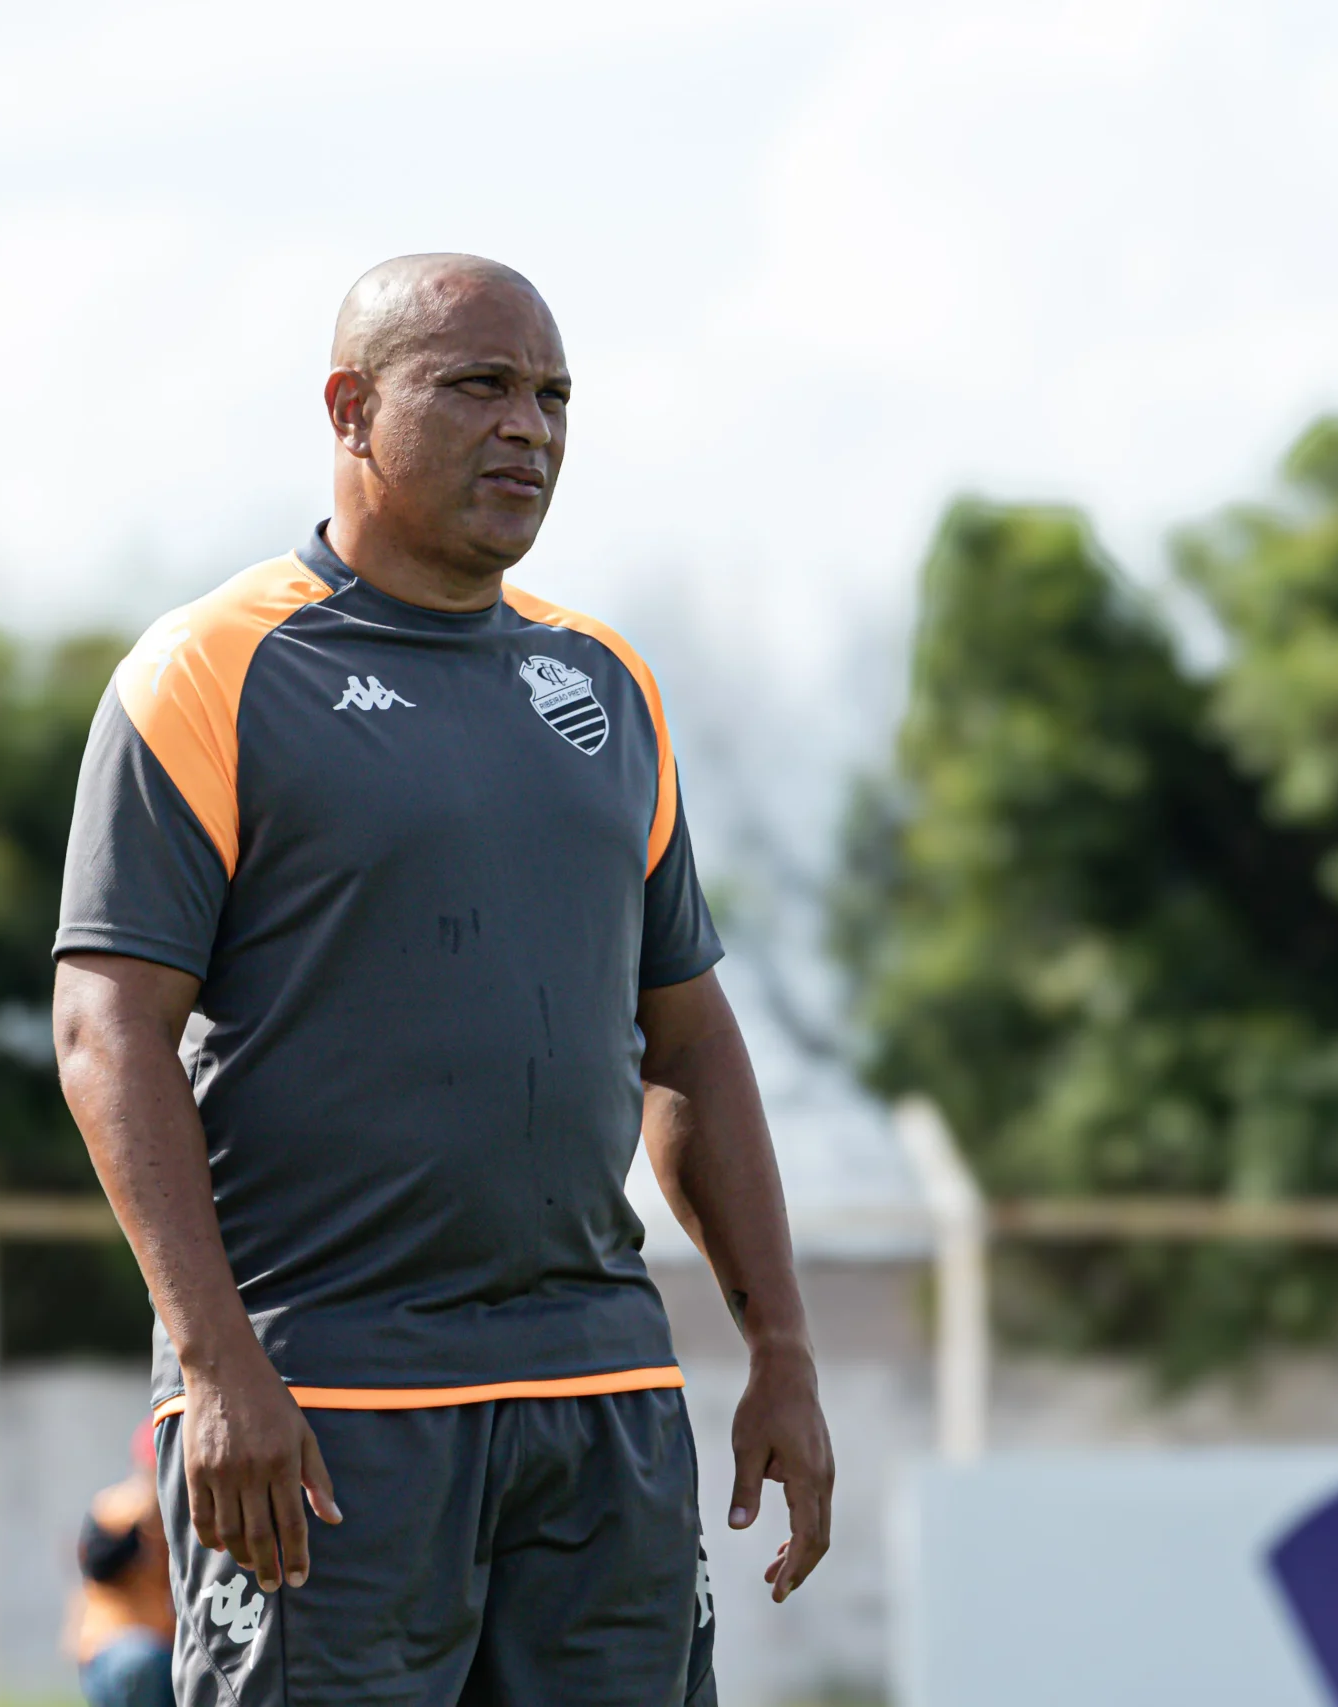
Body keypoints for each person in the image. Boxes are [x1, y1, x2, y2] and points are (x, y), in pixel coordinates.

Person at [51, 252, 832, 1706]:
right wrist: (221, 1368)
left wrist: (778, 1342)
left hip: (599, 1397)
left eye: (553, 396)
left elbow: (690, 1039)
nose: (528, 427)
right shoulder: (212, 670)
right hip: (330, 1407)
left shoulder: (606, 683)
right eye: (478, 385)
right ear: (350, 407)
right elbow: (107, 1031)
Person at [65, 1421, 177, 1707]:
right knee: (140, 1662)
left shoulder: (192, 1514)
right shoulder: (117, 1508)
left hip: (171, 1648)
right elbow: (98, 1565)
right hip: (116, 1649)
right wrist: (142, 1524)